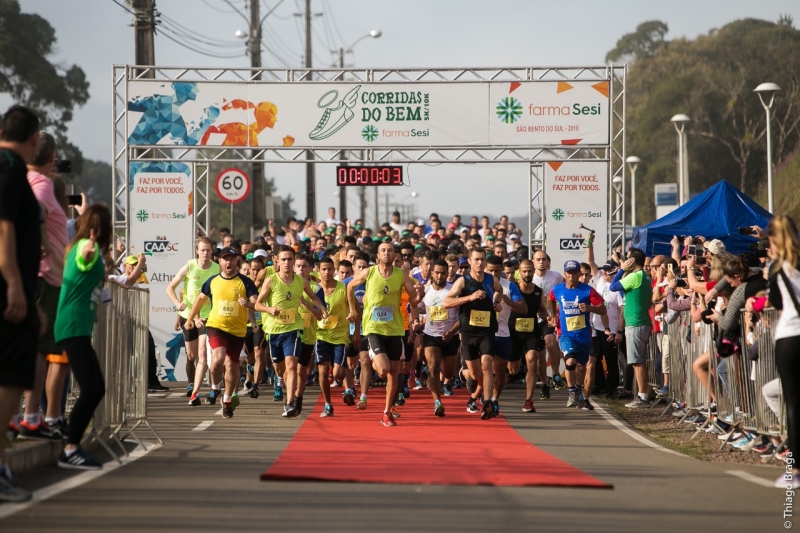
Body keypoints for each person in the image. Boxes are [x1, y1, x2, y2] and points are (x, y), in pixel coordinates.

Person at [15, 131, 70, 442]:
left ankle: (33, 415)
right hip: (45, 277)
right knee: (41, 348)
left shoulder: (30, 180)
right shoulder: (43, 182)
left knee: (43, 348)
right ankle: (32, 416)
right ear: (51, 159)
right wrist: (42, 238)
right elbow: (33, 210)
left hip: (43, 275)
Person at [0, 106, 43, 500]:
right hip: (7, 291)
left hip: (17, 289)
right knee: (11, 374)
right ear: (33, 138)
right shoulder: (11, 167)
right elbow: (5, 225)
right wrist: (14, 283)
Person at [55, 204, 114, 469]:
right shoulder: (82, 248)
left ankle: (71, 446)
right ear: (99, 228)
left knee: (94, 387)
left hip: (77, 327)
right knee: (92, 388)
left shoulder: (83, 247)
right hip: (72, 326)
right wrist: (90, 255)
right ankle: (70, 448)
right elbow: (84, 258)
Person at [346, 242, 420, 426]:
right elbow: (350, 287)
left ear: (395, 254)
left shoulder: (400, 274)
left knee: (394, 373)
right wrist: (353, 310)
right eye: (383, 251)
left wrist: (421, 294)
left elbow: (414, 299)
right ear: (378, 256)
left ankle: (386, 412)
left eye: (390, 250)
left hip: (395, 329)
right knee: (384, 369)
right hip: (373, 328)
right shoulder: (369, 272)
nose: (387, 253)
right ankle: (373, 355)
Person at [184, 247, 258, 419]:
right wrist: (190, 319)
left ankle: (226, 400)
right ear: (220, 262)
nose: (229, 262)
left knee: (232, 366)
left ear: (236, 262)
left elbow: (256, 303)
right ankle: (216, 386)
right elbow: (200, 300)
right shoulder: (212, 281)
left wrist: (246, 303)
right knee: (217, 358)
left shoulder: (246, 282)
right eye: (226, 259)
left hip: (237, 330)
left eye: (232, 259)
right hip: (216, 326)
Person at [255, 245, 326, 417]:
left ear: (294, 261)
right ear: (277, 262)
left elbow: (314, 297)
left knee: (292, 365)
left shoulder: (301, 281)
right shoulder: (271, 280)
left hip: (294, 329)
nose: (287, 262)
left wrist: (322, 308)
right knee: (280, 369)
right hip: (274, 330)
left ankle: (289, 403)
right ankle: (281, 382)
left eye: (290, 259)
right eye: (283, 259)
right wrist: (270, 310)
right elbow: (257, 304)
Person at [444, 248, 505, 421]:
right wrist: (469, 298)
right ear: (470, 261)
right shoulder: (463, 281)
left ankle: (487, 402)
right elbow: (447, 302)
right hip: (468, 333)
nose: (480, 263)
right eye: (476, 259)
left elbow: (499, 291)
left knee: (487, 365)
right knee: (475, 374)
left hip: (487, 331)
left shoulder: (491, 279)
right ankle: (469, 376)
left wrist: (497, 302)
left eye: (482, 259)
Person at [766, 216, 800, 488]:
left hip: (789, 336)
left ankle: (795, 468)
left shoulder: (778, 268)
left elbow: (776, 302)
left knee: (793, 403)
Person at [166, 237, 220, 404]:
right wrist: (177, 303)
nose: (205, 253)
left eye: (208, 250)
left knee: (204, 354)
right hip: (189, 316)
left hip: (208, 317)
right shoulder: (190, 266)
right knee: (192, 355)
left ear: (212, 251)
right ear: (197, 251)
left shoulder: (217, 268)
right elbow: (170, 287)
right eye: (202, 250)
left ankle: (202, 390)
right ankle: (191, 384)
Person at [548, 260, 607, 409]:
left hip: (584, 335)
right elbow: (551, 299)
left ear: (579, 274)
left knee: (581, 366)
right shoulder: (557, 289)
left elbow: (603, 308)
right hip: (565, 334)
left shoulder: (587, 291)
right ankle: (572, 392)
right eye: (569, 273)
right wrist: (553, 315)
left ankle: (577, 389)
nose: (572, 276)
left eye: (575, 273)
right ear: (564, 274)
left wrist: (589, 308)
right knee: (570, 361)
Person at [609, 247, 653, 408]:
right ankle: (642, 394)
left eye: (627, 259)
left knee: (636, 361)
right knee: (637, 361)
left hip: (636, 323)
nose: (625, 261)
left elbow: (613, 287)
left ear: (632, 261)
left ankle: (642, 396)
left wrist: (621, 270)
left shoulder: (636, 276)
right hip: (638, 322)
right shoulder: (643, 276)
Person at [484, 254, 527, 416]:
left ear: (502, 269)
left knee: (500, 370)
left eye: (497, 271)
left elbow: (524, 309)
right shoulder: (480, 284)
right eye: (490, 271)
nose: (494, 274)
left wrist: (509, 302)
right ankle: (484, 396)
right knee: (484, 368)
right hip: (483, 332)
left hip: (502, 333)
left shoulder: (509, 287)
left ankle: (494, 399)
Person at [420, 259, 460, 416]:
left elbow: (462, 317)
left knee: (448, 373)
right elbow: (415, 308)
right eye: (437, 272)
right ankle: (437, 402)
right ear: (431, 273)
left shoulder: (453, 291)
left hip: (450, 336)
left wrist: (452, 331)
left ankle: (444, 382)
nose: (439, 275)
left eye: (443, 273)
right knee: (433, 366)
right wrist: (416, 323)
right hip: (431, 336)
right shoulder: (426, 291)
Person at [508, 259, 547, 413]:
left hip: (531, 332)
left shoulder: (538, 291)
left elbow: (541, 310)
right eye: (524, 271)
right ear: (519, 272)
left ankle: (529, 400)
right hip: (513, 333)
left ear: (533, 271)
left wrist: (548, 317)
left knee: (532, 360)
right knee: (513, 370)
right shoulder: (513, 288)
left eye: (530, 271)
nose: (527, 274)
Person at [315, 257, 352, 417]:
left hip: (340, 337)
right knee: (322, 372)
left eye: (330, 269)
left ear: (334, 269)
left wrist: (356, 332)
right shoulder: (314, 290)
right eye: (324, 269)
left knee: (337, 373)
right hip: (321, 335)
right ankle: (328, 404)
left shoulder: (344, 288)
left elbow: (356, 311)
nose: (327, 272)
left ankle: (344, 384)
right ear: (319, 270)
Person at [293, 254, 324, 414]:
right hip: (289, 333)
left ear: (310, 269)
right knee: (288, 368)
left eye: (304, 266)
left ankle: (298, 396)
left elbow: (320, 315)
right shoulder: (285, 285)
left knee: (300, 370)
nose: (300, 269)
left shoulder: (316, 288)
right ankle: (290, 397)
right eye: (298, 265)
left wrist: (306, 304)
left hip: (308, 334)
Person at [532, 250, 566, 395]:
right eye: (538, 259)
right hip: (533, 319)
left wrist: (558, 307)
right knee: (539, 356)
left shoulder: (556, 276)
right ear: (533, 261)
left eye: (544, 259)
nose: (541, 262)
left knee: (551, 343)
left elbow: (565, 289)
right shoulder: (529, 278)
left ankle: (555, 374)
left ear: (548, 262)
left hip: (549, 318)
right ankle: (545, 384)